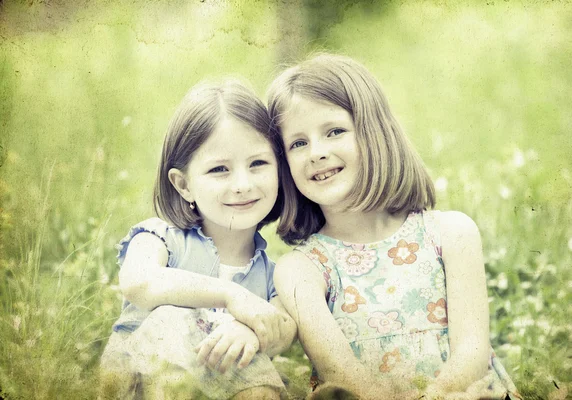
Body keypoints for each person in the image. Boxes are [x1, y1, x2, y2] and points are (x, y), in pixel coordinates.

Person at [267, 53, 522, 400]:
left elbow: (472, 352)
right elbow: (340, 372)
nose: (316, 152)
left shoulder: (451, 234)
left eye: (334, 131)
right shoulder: (300, 269)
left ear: (375, 134)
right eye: (298, 143)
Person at [100, 80, 296, 400]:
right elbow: (138, 282)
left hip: (225, 385)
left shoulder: (274, 274)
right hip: (144, 384)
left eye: (258, 163)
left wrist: (249, 331)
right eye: (220, 169)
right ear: (183, 185)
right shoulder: (159, 239)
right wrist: (232, 295)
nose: (243, 184)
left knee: (251, 365)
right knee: (171, 318)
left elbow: (283, 327)